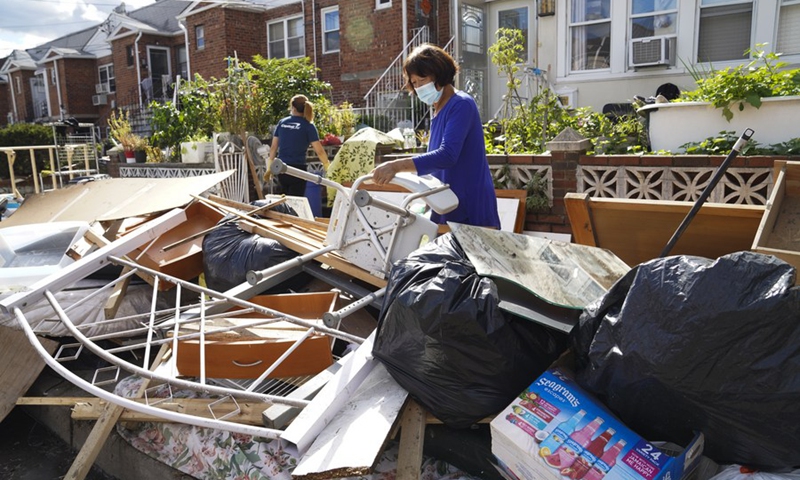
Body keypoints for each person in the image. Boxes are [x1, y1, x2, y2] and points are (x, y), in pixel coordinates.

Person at [371, 44, 500, 229]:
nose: (418, 88)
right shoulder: (438, 110)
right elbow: (434, 163)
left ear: (439, 74)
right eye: (414, 83)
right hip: (445, 203)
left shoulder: (461, 104)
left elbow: (447, 155)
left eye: (422, 80)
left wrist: (395, 166)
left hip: (469, 205)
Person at [268, 94, 330, 196]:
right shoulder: (308, 126)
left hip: (281, 168)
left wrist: (270, 166)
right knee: (296, 202)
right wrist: (327, 166)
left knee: (284, 201)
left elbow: (274, 147)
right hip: (298, 169)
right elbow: (319, 151)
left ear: (293, 107)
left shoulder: (282, 123)